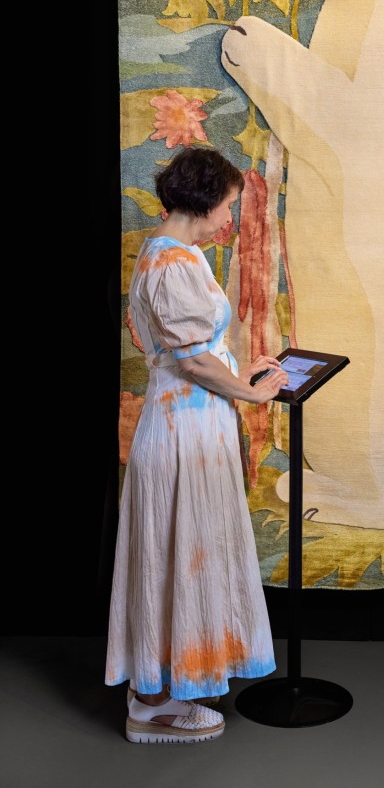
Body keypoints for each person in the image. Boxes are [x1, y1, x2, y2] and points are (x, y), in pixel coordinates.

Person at [105, 146, 289, 744]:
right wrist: (251, 393)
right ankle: (152, 704)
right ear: (205, 200)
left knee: (179, 550)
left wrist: (244, 368)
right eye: (228, 205)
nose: (229, 219)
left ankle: (158, 692)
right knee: (176, 552)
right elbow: (193, 362)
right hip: (182, 431)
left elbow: (201, 351)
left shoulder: (175, 256)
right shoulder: (171, 263)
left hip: (188, 426)